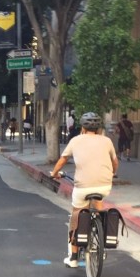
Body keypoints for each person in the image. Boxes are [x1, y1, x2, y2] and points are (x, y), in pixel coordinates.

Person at [49, 112, 118, 268]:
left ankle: (73, 257)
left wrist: (54, 174)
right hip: (105, 185)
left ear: (82, 127)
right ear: (99, 128)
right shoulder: (107, 141)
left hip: (83, 187)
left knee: (77, 215)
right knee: (98, 203)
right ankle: (100, 240)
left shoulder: (75, 140)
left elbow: (62, 160)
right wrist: (111, 174)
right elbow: (115, 163)